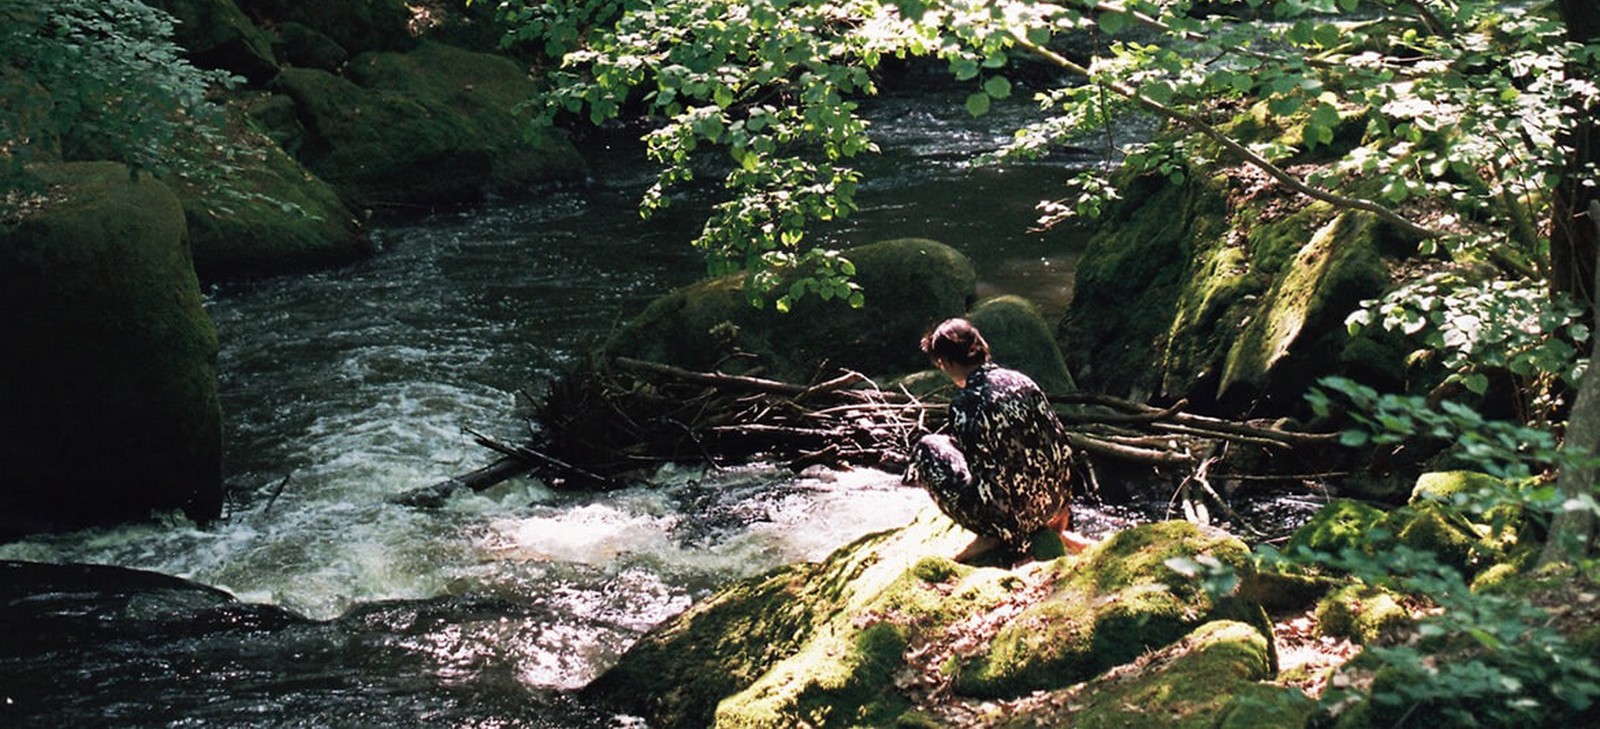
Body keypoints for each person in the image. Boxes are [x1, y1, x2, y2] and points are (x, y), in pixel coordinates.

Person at [904, 318, 1092, 563]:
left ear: (947, 362)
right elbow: (1060, 448)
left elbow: (988, 478)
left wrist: (1010, 536)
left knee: (927, 448)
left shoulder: (966, 405)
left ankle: (995, 538)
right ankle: (1052, 528)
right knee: (950, 444)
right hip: (1053, 506)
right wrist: (1062, 507)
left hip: (1009, 519)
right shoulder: (1023, 381)